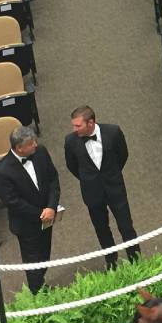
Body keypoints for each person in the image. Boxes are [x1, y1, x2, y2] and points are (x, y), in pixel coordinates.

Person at [63, 106, 141, 268]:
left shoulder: (113, 132)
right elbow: (72, 166)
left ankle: (136, 261)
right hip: (92, 192)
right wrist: (89, 179)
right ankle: (111, 262)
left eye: (78, 126)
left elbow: (123, 155)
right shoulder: (70, 141)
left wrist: (111, 175)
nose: (74, 129)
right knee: (101, 229)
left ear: (90, 122)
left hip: (115, 187)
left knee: (126, 226)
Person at [0, 126, 60, 294]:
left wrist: (51, 207)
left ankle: (40, 283)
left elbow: (53, 179)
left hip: (47, 216)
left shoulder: (41, 152)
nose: (36, 145)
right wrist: (40, 214)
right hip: (26, 223)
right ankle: (37, 292)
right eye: (31, 144)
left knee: (45, 254)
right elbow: (13, 202)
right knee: (33, 260)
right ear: (19, 148)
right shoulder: (2, 171)